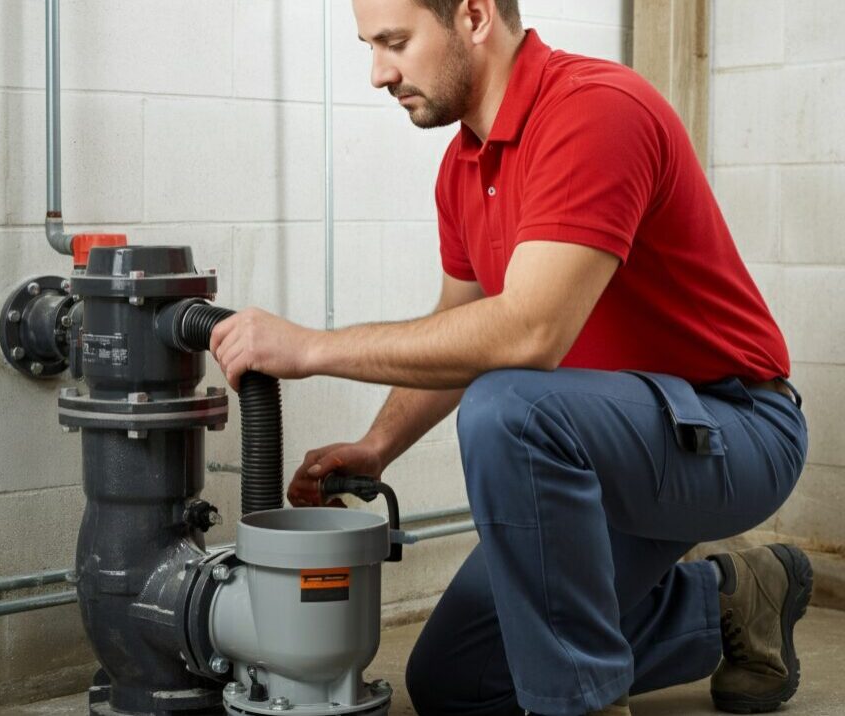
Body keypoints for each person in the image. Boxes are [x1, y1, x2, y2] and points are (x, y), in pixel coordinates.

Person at [207, 1, 811, 714]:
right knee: (459, 678)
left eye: (394, 42)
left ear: (473, 15)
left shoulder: (595, 111)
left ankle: (580, 706)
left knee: (511, 408)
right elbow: (458, 333)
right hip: (601, 446)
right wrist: (378, 445)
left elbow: (528, 332)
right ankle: (733, 600)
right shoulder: (463, 167)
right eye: (370, 46)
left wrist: (310, 348)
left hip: (733, 425)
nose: (378, 73)